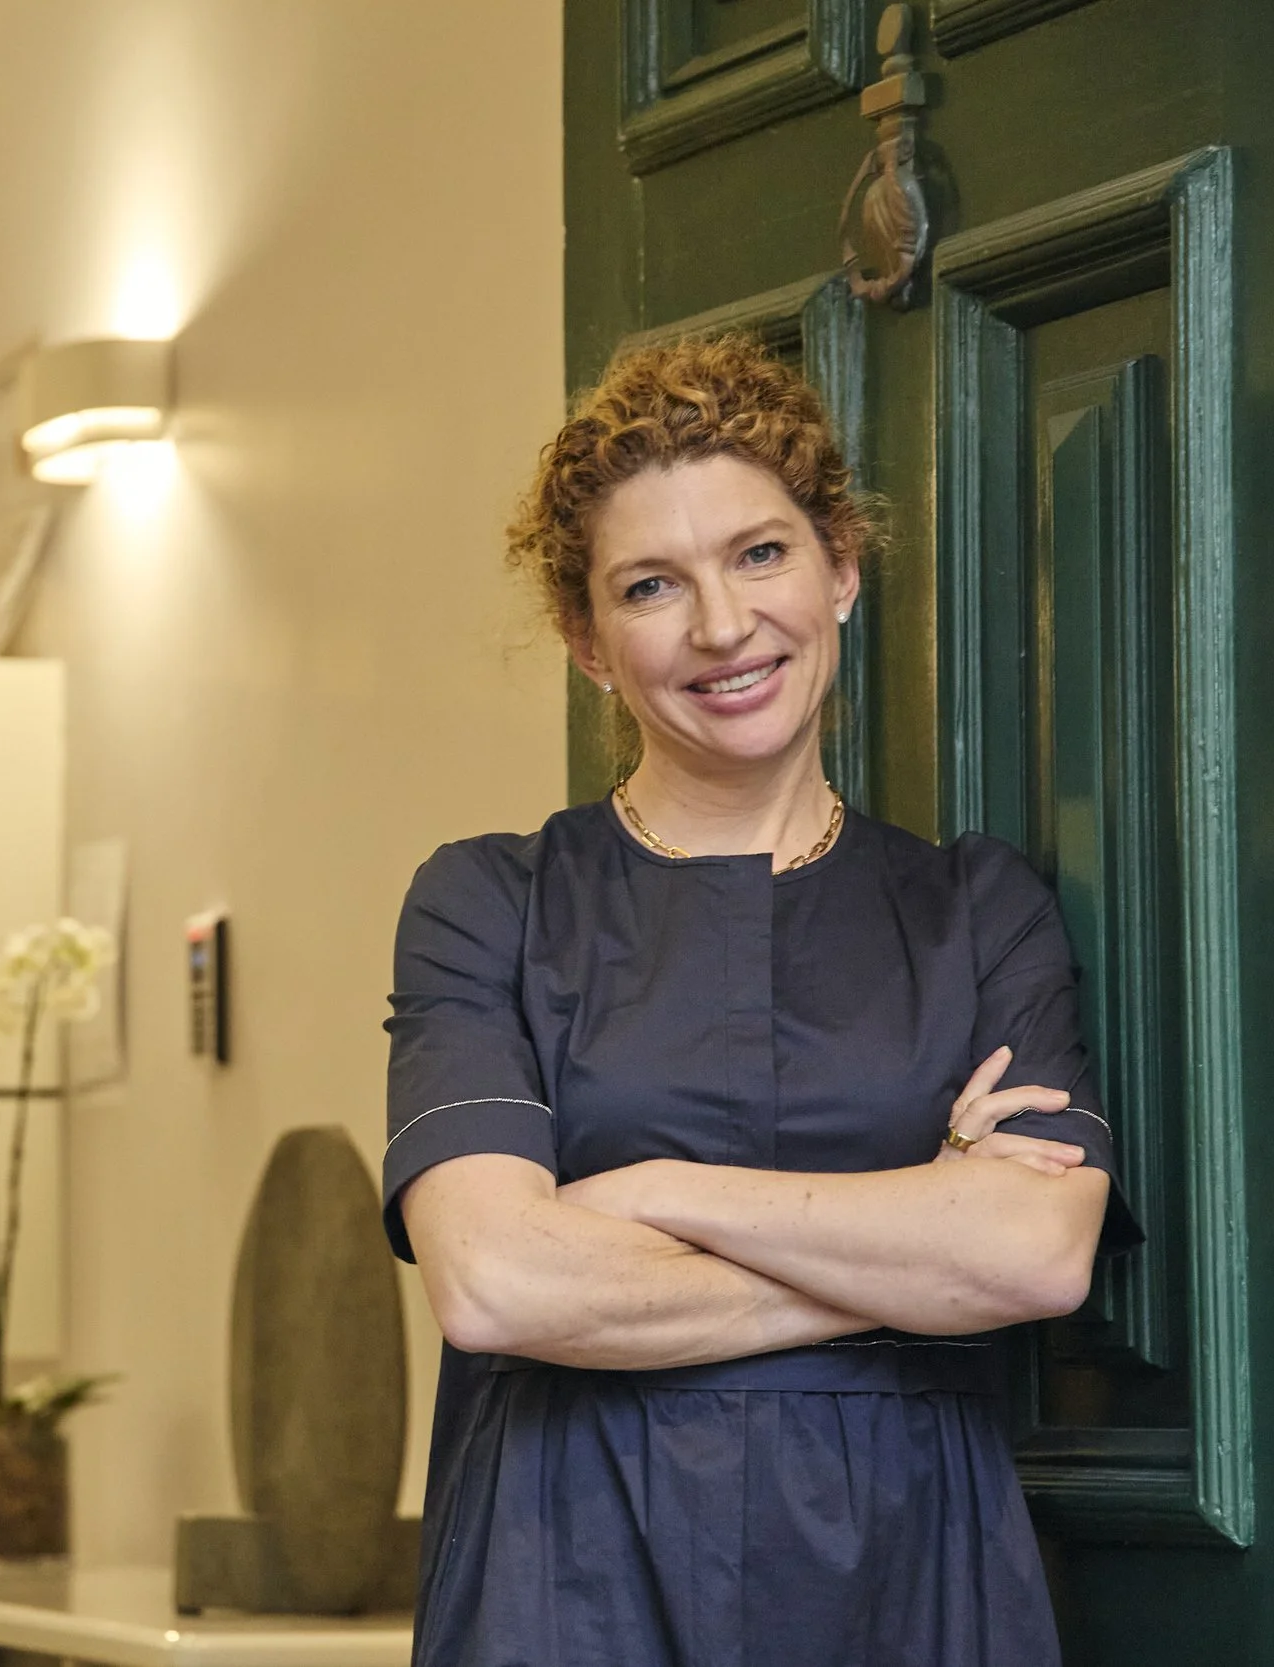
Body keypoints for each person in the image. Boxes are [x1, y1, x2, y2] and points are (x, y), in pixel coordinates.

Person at [383, 334, 1138, 1666]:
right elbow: (498, 1282)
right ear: (587, 640)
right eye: (652, 585)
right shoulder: (487, 904)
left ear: (842, 567)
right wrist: (919, 1251)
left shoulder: (976, 908)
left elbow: (1036, 1255)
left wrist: (652, 1188)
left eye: (762, 554)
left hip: (914, 1578)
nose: (723, 626)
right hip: (565, 1581)